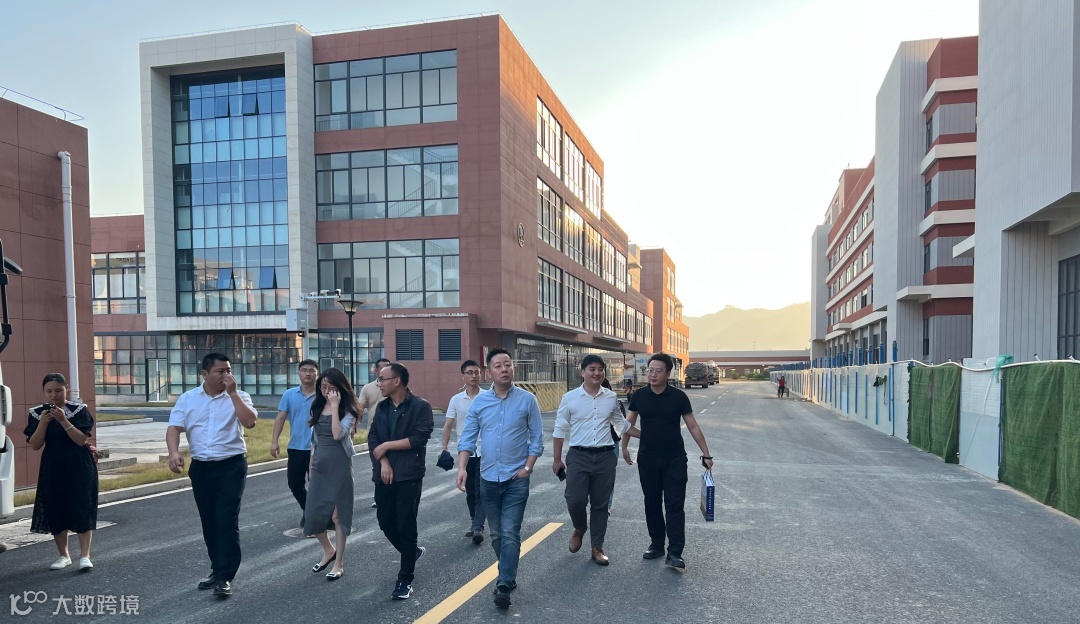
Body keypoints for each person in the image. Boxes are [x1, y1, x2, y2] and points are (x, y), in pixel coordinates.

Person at [457, 348, 543, 610]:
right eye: (498, 365)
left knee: (509, 531)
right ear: (489, 372)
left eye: (508, 364)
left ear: (512, 368)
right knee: (496, 534)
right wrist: (462, 468)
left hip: (516, 478)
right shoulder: (480, 403)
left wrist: (527, 468)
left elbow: (536, 438)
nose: (504, 369)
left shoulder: (527, 400)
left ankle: (504, 583)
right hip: (488, 478)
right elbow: (468, 438)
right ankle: (508, 571)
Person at [167, 353, 258, 597]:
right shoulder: (188, 399)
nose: (226, 375)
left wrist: (233, 394)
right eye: (220, 371)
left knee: (226, 519)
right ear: (205, 374)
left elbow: (250, 422)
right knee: (209, 521)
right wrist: (174, 452)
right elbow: (174, 427)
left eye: (228, 370)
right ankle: (217, 569)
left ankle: (225, 576)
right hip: (201, 468)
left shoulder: (240, 395)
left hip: (232, 466)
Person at [621, 353, 714, 570]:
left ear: (668, 374)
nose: (653, 375)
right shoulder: (639, 396)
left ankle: (675, 552)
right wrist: (624, 447)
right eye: (650, 371)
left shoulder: (679, 397)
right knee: (652, 503)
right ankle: (656, 545)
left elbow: (692, 426)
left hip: (674, 459)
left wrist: (706, 454)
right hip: (648, 460)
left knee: (674, 505)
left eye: (658, 371)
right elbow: (628, 424)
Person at [552, 355, 629, 566]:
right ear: (583, 372)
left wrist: (649, 434)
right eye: (592, 369)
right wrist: (557, 459)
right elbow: (560, 428)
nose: (597, 373)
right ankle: (579, 528)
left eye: (600, 369)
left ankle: (597, 547)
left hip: (605, 456)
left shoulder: (611, 397)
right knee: (575, 499)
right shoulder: (570, 398)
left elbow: (621, 425)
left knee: (600, 504)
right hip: (579, 455)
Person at [369, 362, 434, 600]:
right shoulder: (382, 407)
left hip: (408, 476)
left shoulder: (420, 406)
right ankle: (411, 552)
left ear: (397, 381)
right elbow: (373, 438)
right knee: (385, 522)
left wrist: (387, 445)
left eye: (382, 379)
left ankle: (405, 579)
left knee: (406, 526)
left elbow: (418, 439)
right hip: (384, 475)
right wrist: (384, 462)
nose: (379, 384)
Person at [24, 373, 98, 571]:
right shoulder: (36, 413)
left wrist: (64, 420)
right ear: (44, 392)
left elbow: (81, 440)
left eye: (58, 390)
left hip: (79, 464)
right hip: (53, 464)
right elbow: (35, 444)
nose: (54, 395)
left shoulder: (78, 410)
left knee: (81, 505)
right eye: (49, 391)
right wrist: (43, 422)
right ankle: (63, 555)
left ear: (66, 389)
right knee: (56, 507)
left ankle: (85, 555)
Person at [304, 368, 359, 580]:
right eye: (323, 386)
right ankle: (329, 550)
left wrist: (335, 407)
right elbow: (314, 439)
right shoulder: (316, 406)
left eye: (331, 387)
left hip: (340, 464)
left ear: (340, 388)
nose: (326, 391)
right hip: (320, 464)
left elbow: (337, 434)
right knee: (312, 515)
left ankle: (339, 563)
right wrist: (311, 464)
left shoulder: (349, 410)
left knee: (338, 516)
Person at [440, 359, 486, 544]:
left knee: (482, 490)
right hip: (466, 452)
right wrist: (444, 449)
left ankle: (478, 527)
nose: (474, 376)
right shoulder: (456, 400)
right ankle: (474, 521)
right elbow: (448, 425)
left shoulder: (489, 397)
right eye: (470, 373)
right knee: (471, 491)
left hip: (487, 451)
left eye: (477, 372)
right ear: (463, 376)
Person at [270, 359, 319, 528]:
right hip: (296, 447)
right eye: (304, 370)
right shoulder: (289, 394)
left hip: (318, 449)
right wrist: (274, 442)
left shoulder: (322, 395)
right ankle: (309, 510)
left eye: (311, 370)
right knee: (295, 484)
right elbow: (280, 418)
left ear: (317, 373)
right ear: (298, 373)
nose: (308, 373)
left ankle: (315, 516)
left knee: (317, 485)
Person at [359, 357, 391, 508]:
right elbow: (360, 408)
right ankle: (379, 496)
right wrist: (354, 426)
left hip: (393, 434)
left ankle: (391, 495)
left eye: (388, 367)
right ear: (377, 371)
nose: (385, 371)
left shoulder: (395, 386)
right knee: (377, 466)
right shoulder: (368, 388)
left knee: (394, 465)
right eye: (382, 368)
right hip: (375, 435)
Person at [601, 378, 626, 512]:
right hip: (609, 444)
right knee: (607, 477)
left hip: (611, 444)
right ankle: (605, 505)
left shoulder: (615, 402)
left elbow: (623, 425)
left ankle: (606, 505)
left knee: (607, 477)